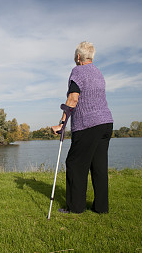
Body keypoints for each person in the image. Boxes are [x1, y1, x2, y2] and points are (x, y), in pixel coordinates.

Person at [52, 41, 113, 214]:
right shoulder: (99, 73)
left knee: (74, 164)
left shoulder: (77, 71)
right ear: (91, 56)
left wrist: (62, 123)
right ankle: (101, 208)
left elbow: (73, 98)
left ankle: (75, 207)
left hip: (88, 124)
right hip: (106, 123)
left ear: (78, 57)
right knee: (98, 166)